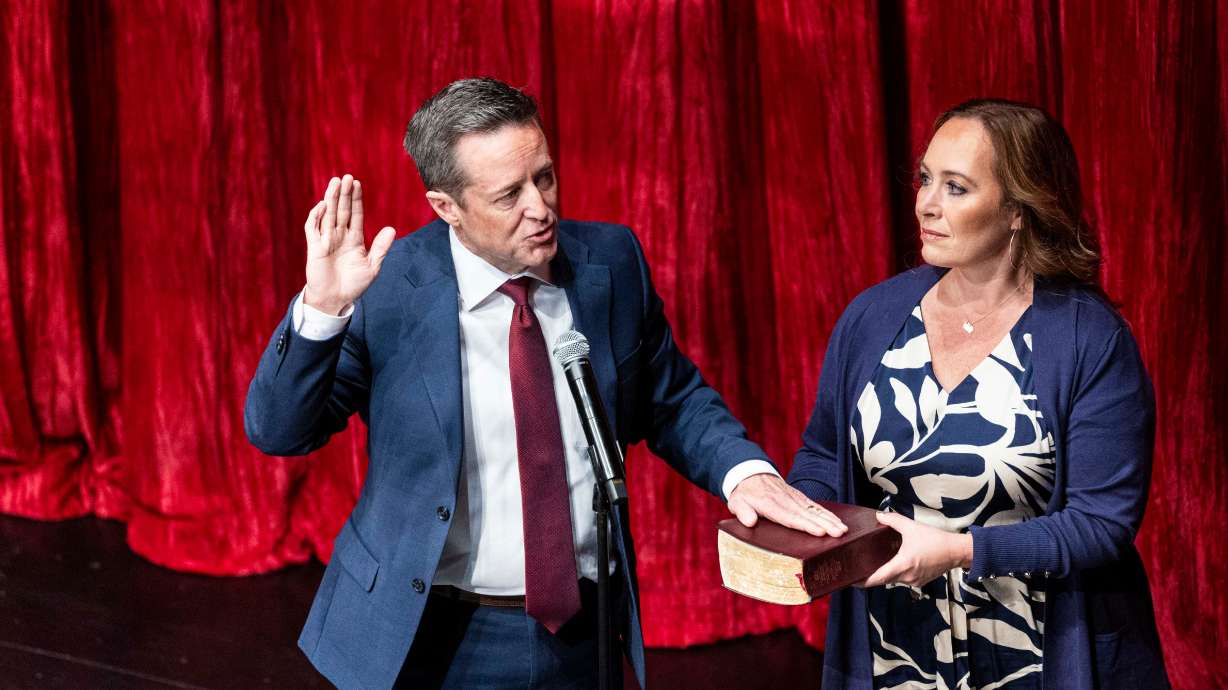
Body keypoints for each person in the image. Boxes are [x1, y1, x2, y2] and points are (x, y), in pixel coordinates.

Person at [244, 77, 846, 690]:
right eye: (509, 195)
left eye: (545, 176)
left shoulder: (610, 261)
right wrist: (322, 308)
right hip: (430, 635)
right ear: (446, 207)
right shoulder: (389, 290)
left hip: (581, 635)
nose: (541, 207)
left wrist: (744, 474)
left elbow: (670, 399)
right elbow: (279, 431)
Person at [787, 99, 1169, 689]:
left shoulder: (1088, 339)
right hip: (896, 652)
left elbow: (1101, 524)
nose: (926, 204)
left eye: (956, 188)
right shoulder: (872, 317)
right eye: (924, 179)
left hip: (1037, 654)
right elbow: (822, 455)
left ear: (1019, 209)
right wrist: (796, 522)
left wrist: (960, 551)